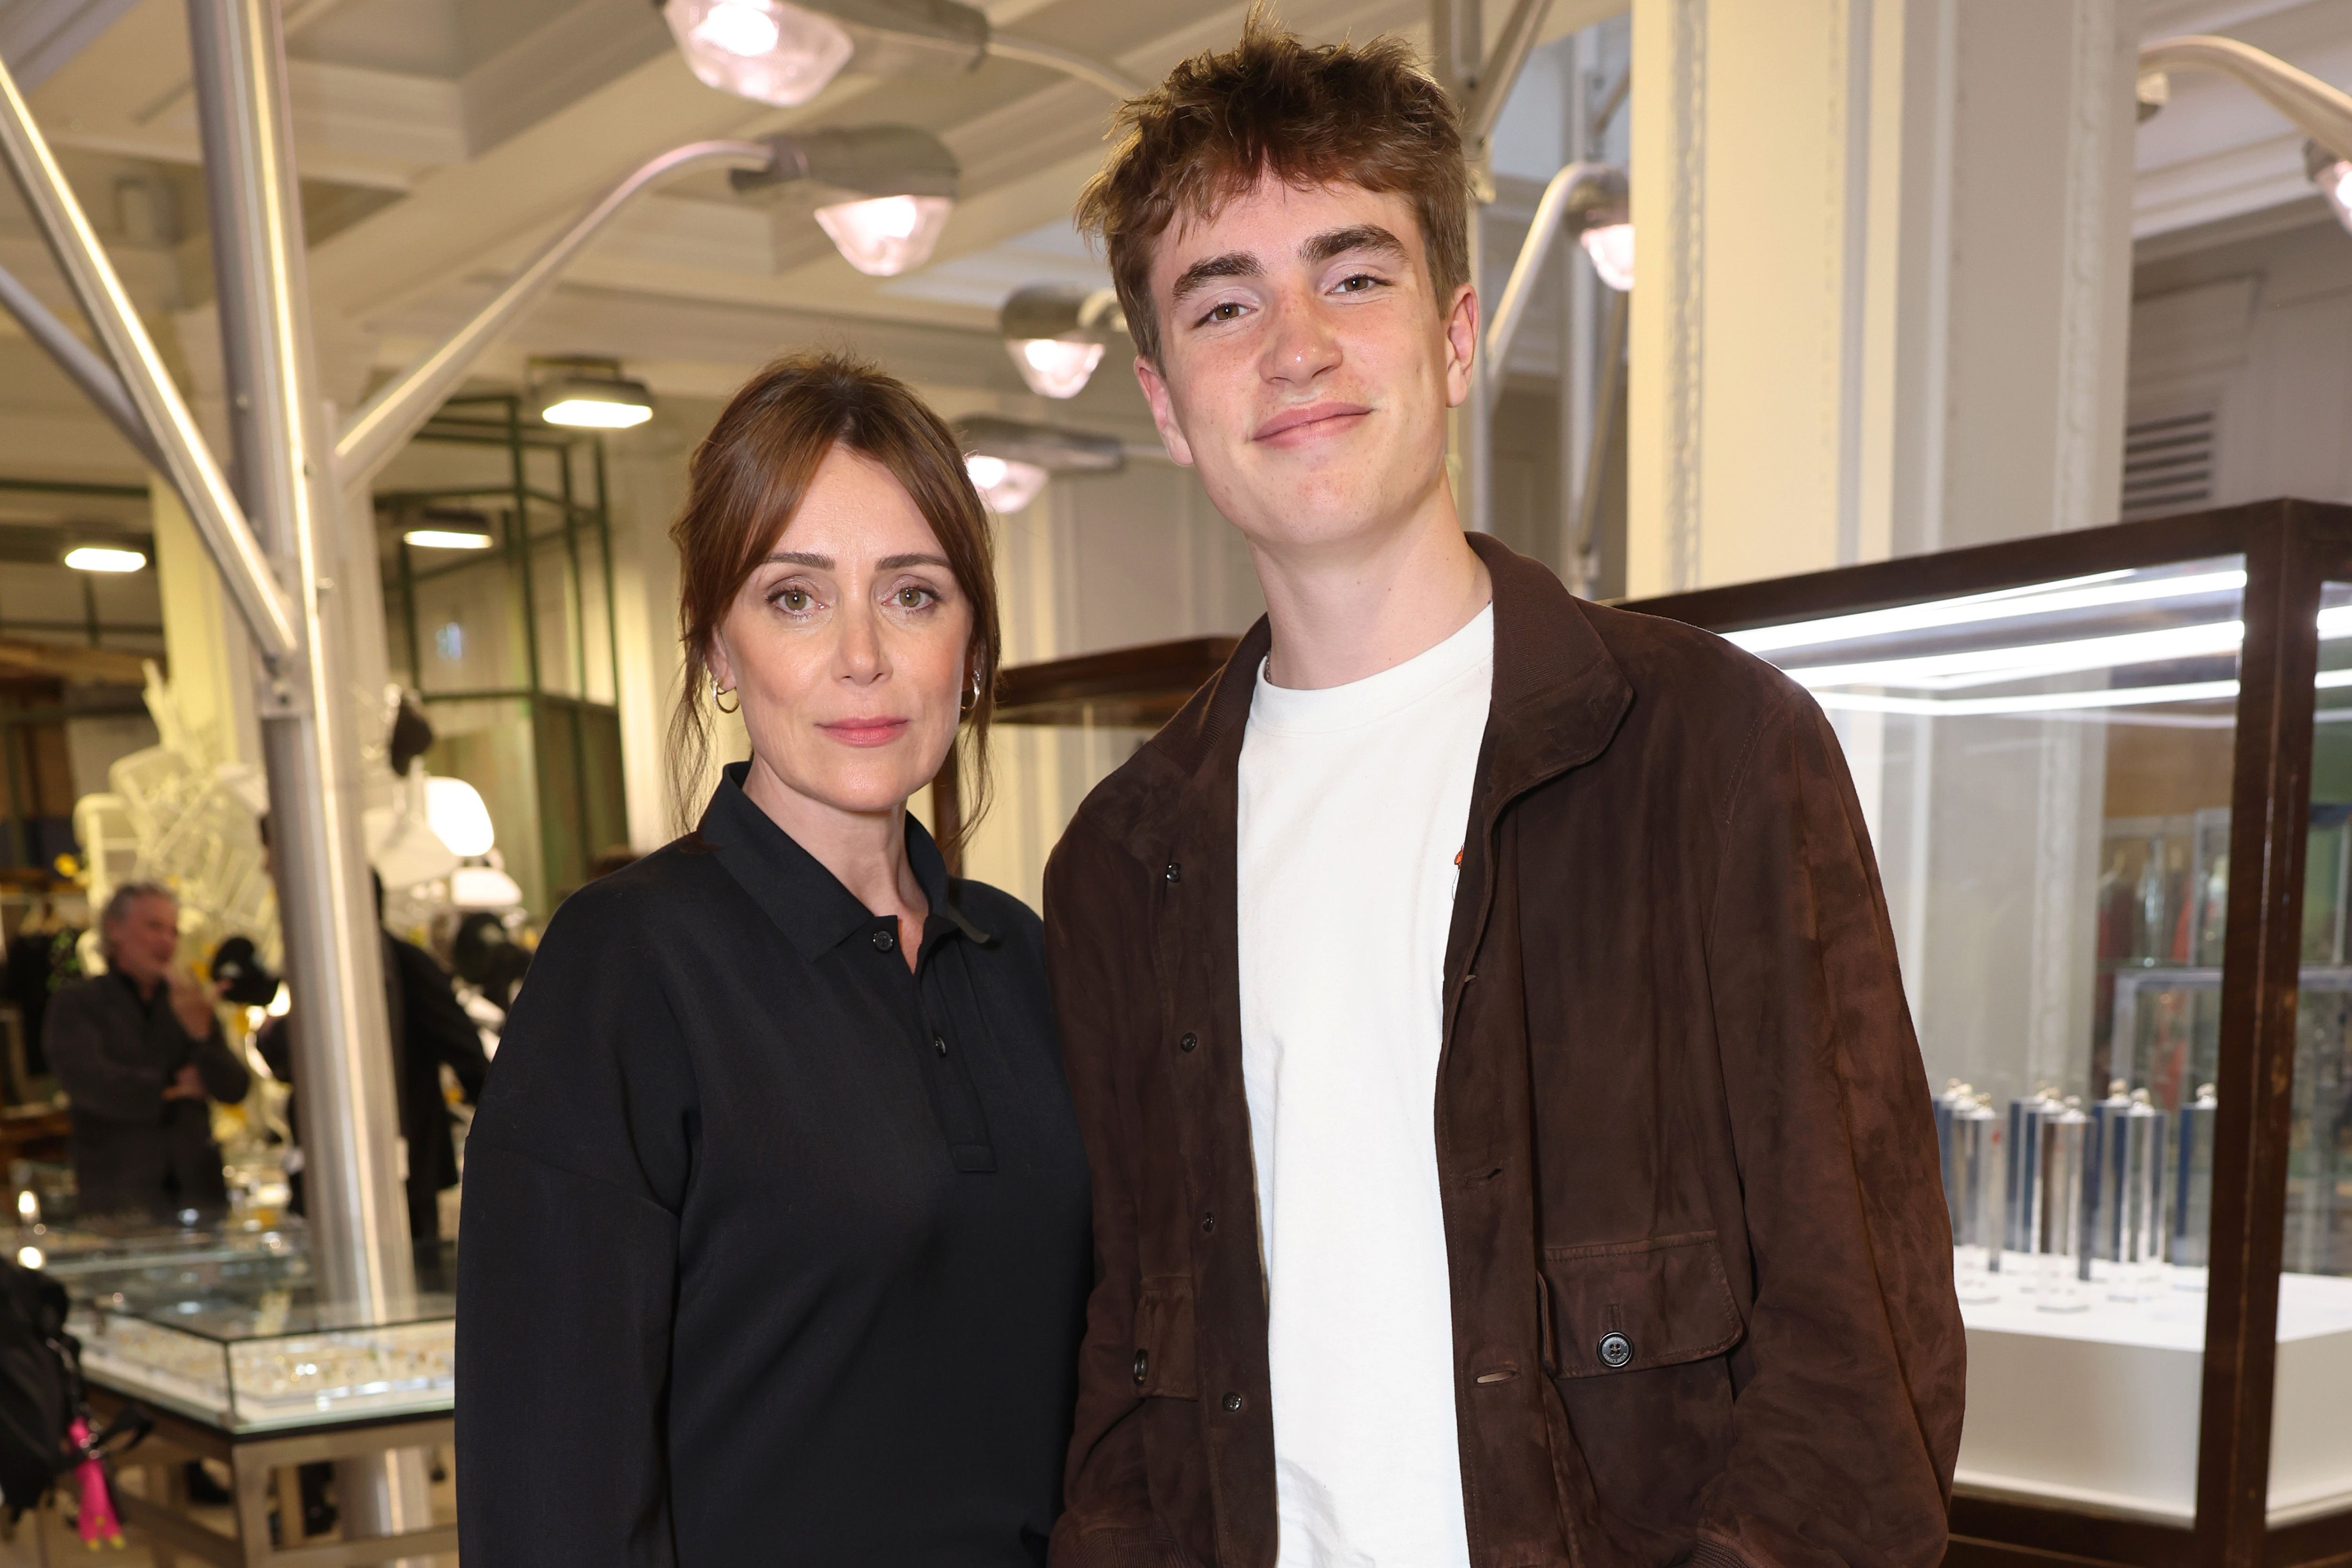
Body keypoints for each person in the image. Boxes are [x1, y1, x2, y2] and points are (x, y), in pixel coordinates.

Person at [1045, 19, 1965, 1568]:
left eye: (1353, 274)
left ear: (1457, 335)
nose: (1296, 345)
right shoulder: (1124, 859)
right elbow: (1130, 1367)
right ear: (1162, 399)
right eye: (1226, 301)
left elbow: (1859, 1333)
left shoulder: (1711, 748)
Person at [457, 353, 1092, 1566]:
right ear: (715, 649)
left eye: (913, 594)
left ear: (971, 648)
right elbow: (550, 1484)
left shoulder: (1027, 961)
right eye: (794, 597)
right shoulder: (629, 967)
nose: (863, 655)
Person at [255, 874, 489, 1244]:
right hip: (333, 1169)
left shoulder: (405, 966)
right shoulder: (319, 969)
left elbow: (467, 1054)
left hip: (406, 1169)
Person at [43, 883, 249, 1219]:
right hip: (120, 1199)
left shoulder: (186, 1004)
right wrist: (171, 1083)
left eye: (174, 931)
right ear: (115, 930)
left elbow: (234, 1088)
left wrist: (200, 1035)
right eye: (154, 927)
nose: (166, 941)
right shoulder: (79, 1004)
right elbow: (91, 1082)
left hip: (199, 1196)